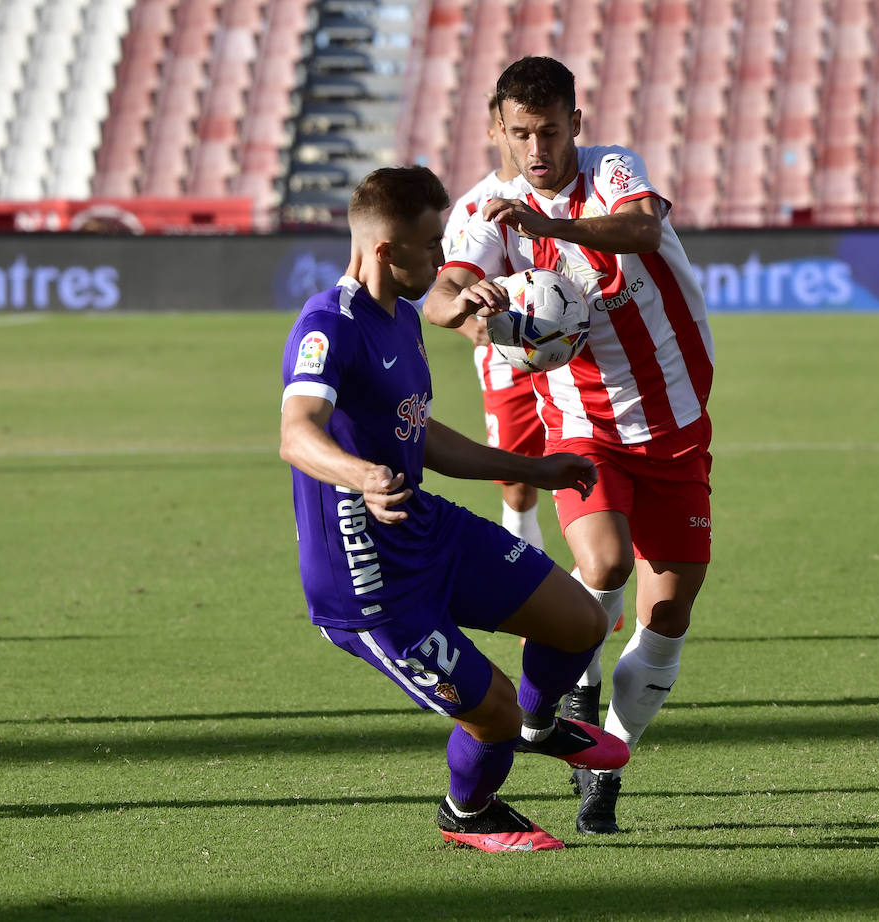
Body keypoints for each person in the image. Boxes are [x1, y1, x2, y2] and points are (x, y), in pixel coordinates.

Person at [279, 165, 629, 853]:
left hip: (426, 528)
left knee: (581, 622)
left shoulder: (403, 318)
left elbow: (423, 433)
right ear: (386, 251)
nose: (443, 260)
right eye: (432, 244)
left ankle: (539, 726)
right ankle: (467, 812)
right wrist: (363, 477)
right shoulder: (329, 324)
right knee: (489, 714)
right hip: (365, 578)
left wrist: (532, 468)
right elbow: (296, 432)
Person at [424, 56, 715, 835]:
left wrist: (553, 228)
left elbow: (643, 228)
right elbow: (440, 295)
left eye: (549, 131)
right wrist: (467, 305)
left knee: (669, 617)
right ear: (498, 129)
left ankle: (609, 761)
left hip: (679, 420)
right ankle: (570, 698)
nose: (536, 147)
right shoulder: (486, 207)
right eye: (520, 133)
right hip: (582, 418)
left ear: (575, 127)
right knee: (605, 564)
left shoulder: (613, 170)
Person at [439, 95, 548, 551]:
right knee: (515, 474)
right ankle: (534, 585)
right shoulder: (470, 208)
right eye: (511, 130)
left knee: (593, 462)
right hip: (506, 360)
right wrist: (468, 327)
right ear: (495, 132)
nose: (521, 140)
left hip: (574, 349)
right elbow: (448, 289)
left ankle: (601, 584)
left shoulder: (557, 194)